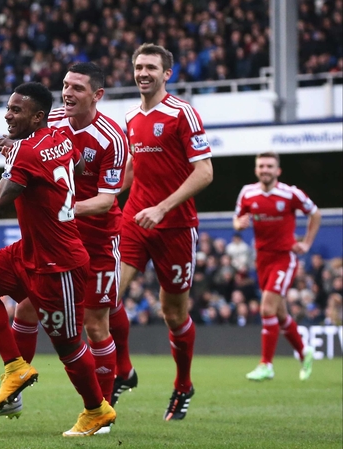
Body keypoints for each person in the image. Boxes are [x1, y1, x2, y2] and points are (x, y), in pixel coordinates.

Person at [0, 82, 116, 437]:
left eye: (16, 110)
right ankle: (16, 368)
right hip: (30, 249)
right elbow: (79, 165)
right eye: (8, 107)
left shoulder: (26, 151)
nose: (8, 114)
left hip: (59, 262)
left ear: (37, 117)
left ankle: (96, 410)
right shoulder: (61, 137)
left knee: (68, 344)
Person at [118, 43, 214, 421]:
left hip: (174, 225)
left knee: (172, 313)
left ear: (166, 74)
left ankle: (183, 385)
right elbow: (131, 170)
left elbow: (205, 172)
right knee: (107, 294)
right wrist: (104, 197)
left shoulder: (182, 113)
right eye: (138, 66)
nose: (143, 72)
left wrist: (162, 207)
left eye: (151, 67)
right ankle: (123, 372)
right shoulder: (129, 116)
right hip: (134, 219)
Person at [233, 152, 320, 381]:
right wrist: (239, 224)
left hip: (285, 257)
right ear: (256, 170)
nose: (265, 170)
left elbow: (315, 213)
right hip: (262, 259)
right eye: (261, 166)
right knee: (280, 313)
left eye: (270, 166)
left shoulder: (290, 194)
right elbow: (238, 219)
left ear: (278, 171)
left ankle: (266, 365)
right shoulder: (247, 193)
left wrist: (307, 243)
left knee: (267, 308)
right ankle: (304, 351)